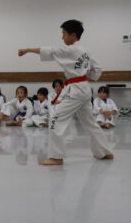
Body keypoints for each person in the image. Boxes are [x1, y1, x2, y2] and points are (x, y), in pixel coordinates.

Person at [18, 19, 114, 165]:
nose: (62, 37)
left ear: (73, 35)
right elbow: (97, 69)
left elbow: (50, 51)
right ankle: (105, 152)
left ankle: (56, 157)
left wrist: (27, 50)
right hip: (84, 88)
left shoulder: (71, 50)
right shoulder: (85, 51)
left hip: (76, 90)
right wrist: (86, 76)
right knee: (90, 123)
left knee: (55, 119)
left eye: (64, 33)